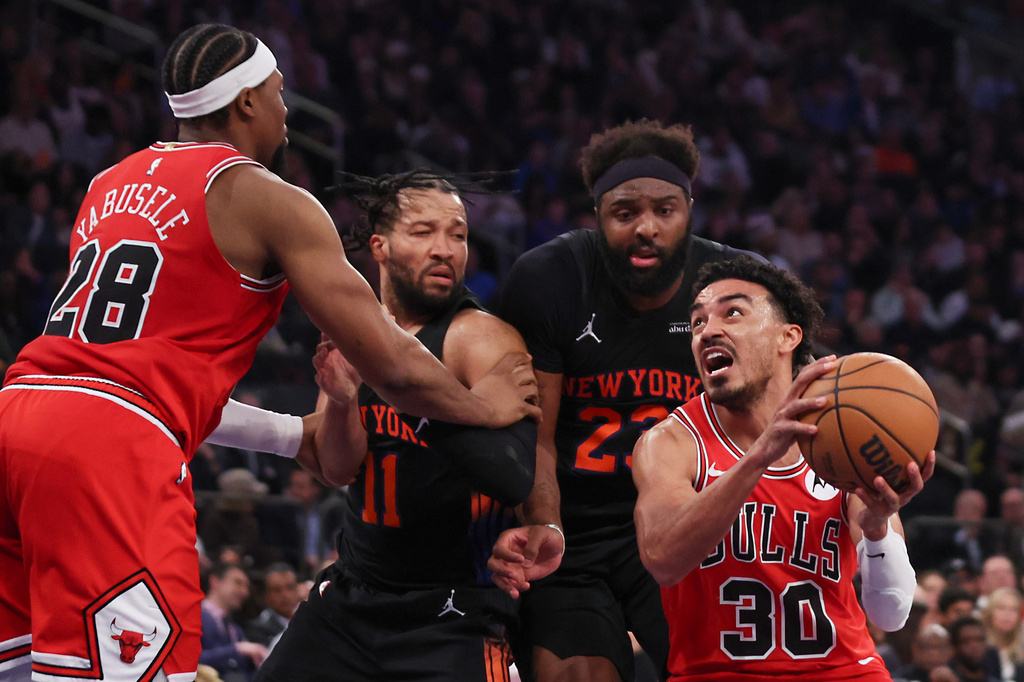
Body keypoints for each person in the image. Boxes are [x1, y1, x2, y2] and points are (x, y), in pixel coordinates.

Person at [0, 24, 538, 682]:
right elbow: (393, 366)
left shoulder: (109, 182)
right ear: (248, 101)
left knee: (29, 669)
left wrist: (289, 436)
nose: (287, 112)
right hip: (110, 451)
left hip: (21, 416)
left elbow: (133, 377)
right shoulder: (266, 196)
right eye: (280, 94)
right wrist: (482, 407)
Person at [488, 119, 754, 682]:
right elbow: (532, 434)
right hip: (573, 525)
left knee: (726, 673)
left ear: (689, 209)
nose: (647, 229)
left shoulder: (732, 288)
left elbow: (761, 426)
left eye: (664, 210)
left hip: (678, 520)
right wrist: (547, 528)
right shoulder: (549, 279)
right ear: (599, 216)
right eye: (626, 212)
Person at [256, 170, 538, 681]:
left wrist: (408, 392)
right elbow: (339, 469)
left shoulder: (480, 338)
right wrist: (342, 402)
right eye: (424, 231)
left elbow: (512, 475)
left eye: (458, 234)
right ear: (381, 247)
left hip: (455, 607)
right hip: (355, 595)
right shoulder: (357, 330)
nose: (445, 249)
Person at [631, 256, 935, 679]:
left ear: (788, 336)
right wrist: (759, 456)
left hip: (845, 671)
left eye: (732, 313)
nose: (708, 331)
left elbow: (892, 614)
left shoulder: (842, 427)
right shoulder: (672, 442)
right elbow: (663, 560)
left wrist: (878, 530)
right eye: (698, 322)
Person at [199, 563, 267, 682]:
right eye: (238, 582)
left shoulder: (235, 629)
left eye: (247, 587)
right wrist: (236, 649)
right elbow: (190, 660)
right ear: (214, 581)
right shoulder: (195, 617)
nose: (245, 592)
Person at [244, 564, 300, 649]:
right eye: (277, 590)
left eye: (290, 587)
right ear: (266, 596)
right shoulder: (257, 630)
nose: (285, 595)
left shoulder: (310, 619)